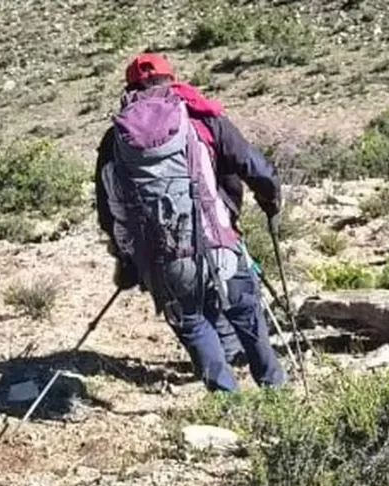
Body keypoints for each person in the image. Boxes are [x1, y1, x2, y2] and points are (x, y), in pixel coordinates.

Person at [94, 53, 285, 393]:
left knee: (194, 322)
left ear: (130, 88)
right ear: (171, 79)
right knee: (245, 312)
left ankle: (229, 403)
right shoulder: (201, 117)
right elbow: (254, 167)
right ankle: (276, 393)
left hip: (163, 257)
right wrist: (270, 200)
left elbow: (109, 211)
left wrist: (125, 258)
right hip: (219, 238)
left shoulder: (116, 139)